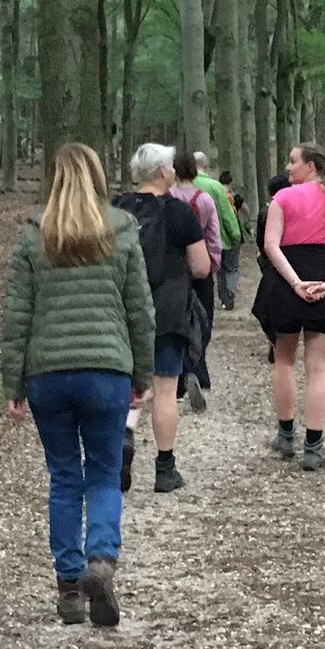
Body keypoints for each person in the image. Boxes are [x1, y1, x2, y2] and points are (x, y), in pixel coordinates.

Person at [0, 143, 156, 629]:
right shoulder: (122, 229)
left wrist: (12, 381)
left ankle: (69, 590)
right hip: (107, 369)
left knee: (64, 478)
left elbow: (16, 315)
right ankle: (100, 561)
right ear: (98, 177)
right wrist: (143, 374)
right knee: (105, 474)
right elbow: (141, 311)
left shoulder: (34, 234)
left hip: (48, 373)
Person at [251, 143, 325, 472]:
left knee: (284, 360)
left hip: (286, 284)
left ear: (310, 166)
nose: (288, 167)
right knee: (318, 368)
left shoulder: (282, 199)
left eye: (293, 161)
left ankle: (286, 435)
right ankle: (313, 446)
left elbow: (271, 245)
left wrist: (295, 281)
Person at [114, 143, 212, 493]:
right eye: (171, 166)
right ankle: (165, 469)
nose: (174, 170)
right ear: (161, 173)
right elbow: (201, 268)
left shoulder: (116, 209)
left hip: (122, 310)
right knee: (165, 389)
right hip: (167, 311)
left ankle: (122, 438)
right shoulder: (180, 213)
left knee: (124, 384)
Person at [171, 146, 224, 411]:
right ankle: (198, 370)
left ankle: (180, 375)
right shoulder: (204, 200)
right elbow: (214, 236)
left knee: (176, 322)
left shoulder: (166, 197)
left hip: (173, 272)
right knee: (203, 321)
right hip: (200, 270)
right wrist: (213, 263)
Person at [195, 153, 246, 310]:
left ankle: (219, 297)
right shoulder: (215, 186)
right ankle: (228, 296)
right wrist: (236, 235)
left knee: (216, 271)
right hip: (220, 238)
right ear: (205, 165)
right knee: (230, 268)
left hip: (195, 241)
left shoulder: (181, 185)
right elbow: (226, 214)